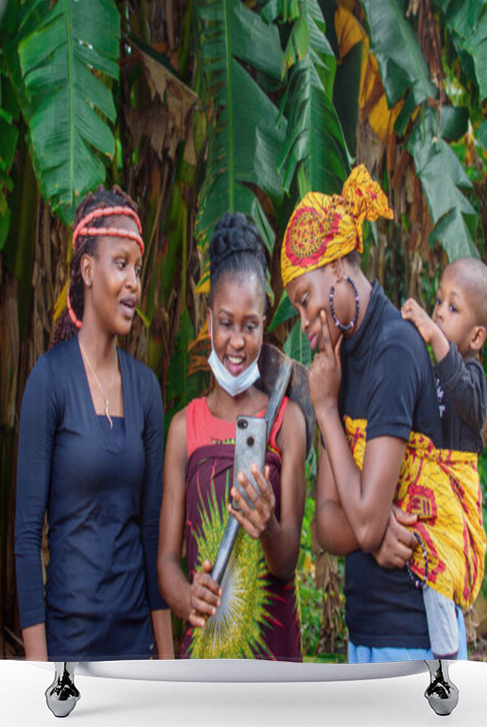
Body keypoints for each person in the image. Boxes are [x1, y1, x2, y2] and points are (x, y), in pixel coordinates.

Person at [282, 164, 450, 663]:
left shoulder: (392, 349)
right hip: (366, 632)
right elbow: (327, 525)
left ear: (336, 268)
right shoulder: (339, 361)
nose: (304, 323)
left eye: (304, 299)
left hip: (413, 632)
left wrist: (327, 411)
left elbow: (361, 520)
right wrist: (368, 534)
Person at [14, 184, 172, 661]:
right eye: (120, 264)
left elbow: (150, 534)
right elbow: (26, 538)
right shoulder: (50, 379)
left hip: (135, 646)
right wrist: (38, 677)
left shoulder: (145, 390)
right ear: (87, 269)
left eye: (137, 269)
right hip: (68, 648)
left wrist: (167, 665)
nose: (134, 284)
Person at [158, 213, 307, 661]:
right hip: (204, 658)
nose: (237, 342)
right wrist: (186, 597)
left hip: (273, 664)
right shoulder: (185, 428)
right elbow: (166, 560)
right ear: (208, 322)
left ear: (265, 325)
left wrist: (267, 527)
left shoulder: (289, 421)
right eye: (226, 323)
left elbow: (286, 563)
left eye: (250, 325)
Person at [401, 257, 487, 658]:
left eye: (452, 308)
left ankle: (447, 653)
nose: (439, 311)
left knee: (441, 568)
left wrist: (435, 338)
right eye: (439, 301)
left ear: (476, 337)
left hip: (453, 496)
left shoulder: (472, 377)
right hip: (426, 487)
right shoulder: (427, 366)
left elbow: (467, 402)